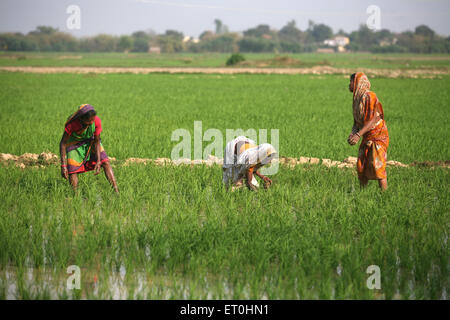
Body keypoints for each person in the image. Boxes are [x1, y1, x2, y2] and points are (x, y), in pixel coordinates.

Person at [59, 104, 118, 193]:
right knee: (72, 170)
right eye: (89, 121)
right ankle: (76, 197)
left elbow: (97, 141)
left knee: (105, 161)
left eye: (92, 120)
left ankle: (116, 191)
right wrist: (63, 166)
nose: (91, 123)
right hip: (74, 144)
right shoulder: (72, 124)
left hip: (91, 141)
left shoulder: (96, 121)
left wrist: (98, 161)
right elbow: (63, 143)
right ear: (81, 119)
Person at [347, 72, 389, 191]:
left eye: (350, 82)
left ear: (357, 83)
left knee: (378, 166)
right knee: (361, 165)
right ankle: (362, 194)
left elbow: (371, 120)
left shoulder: (370, 96)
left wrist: (358, 135)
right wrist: (353, 133)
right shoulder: (356, 99)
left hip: (378, 136)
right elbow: (357, 121)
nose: (349, 85)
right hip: (366, 135)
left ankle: (384, 196)